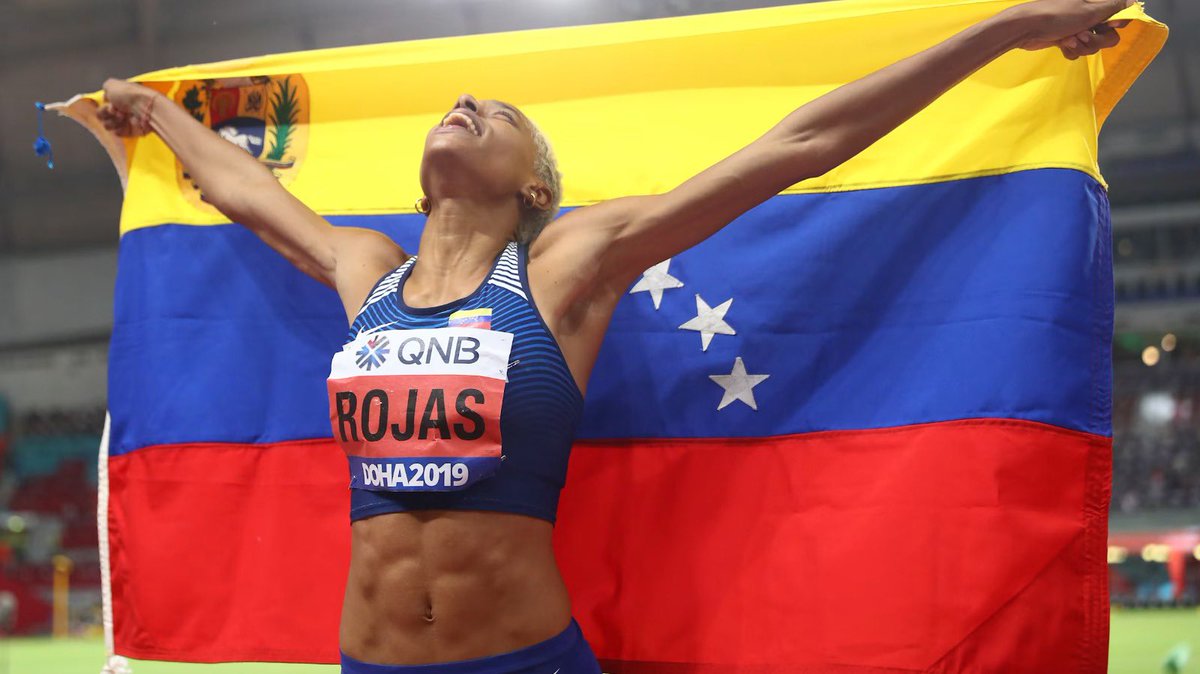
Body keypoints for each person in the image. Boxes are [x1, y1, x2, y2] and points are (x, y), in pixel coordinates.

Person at [98, 0, 1133, 671]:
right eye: (463, 102)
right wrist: (157, 111)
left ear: (536, 183)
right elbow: (242, 189)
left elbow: (798, 146)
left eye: (494, 111)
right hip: (368, 660)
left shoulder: (566, 266)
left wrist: (1006, 30)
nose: (465, 102)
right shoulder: (366, 268)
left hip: (523, 658)